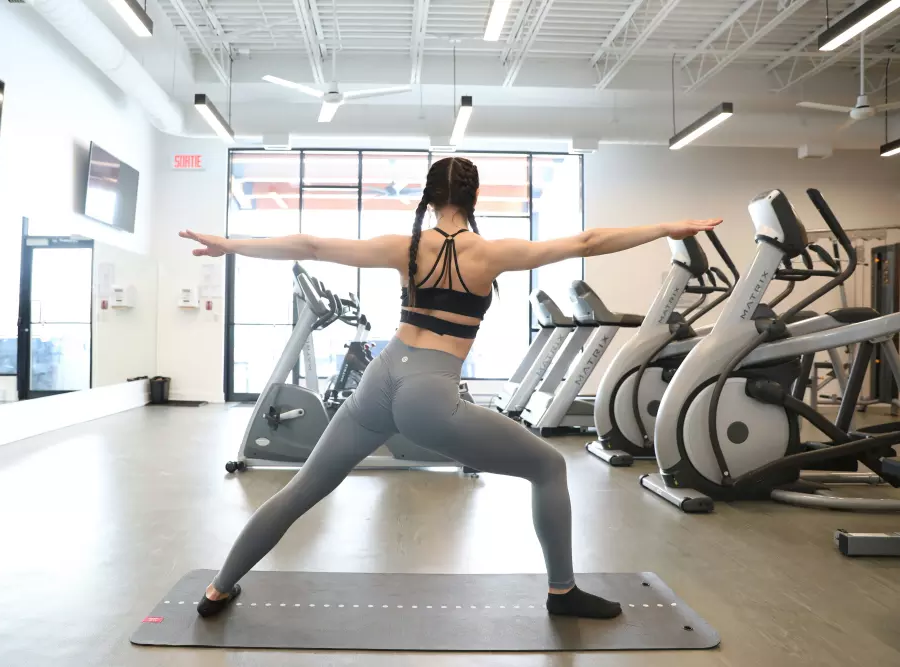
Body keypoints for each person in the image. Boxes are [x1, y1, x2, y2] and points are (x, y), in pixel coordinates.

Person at [180, 156, 721, 621]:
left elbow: (314, 244)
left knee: (302, 489)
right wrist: (666, 228)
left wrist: (230, 244)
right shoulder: (489, 254)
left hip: (382, 373)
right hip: (429, 393)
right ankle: (563, 592)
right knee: (549, 467)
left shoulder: (405, 247)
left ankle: (217, 589)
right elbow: (588, 241)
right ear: (473, 196)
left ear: (429, 198)